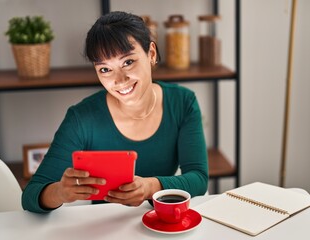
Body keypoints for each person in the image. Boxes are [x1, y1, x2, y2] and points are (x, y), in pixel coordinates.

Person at [22, 11, 208, 213]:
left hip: (161, 221)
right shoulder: (81, 118)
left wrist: (149, 187)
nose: (119, 80)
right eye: (105, 69)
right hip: (105, 226)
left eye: (128, 62)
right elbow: (31, 195)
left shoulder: (183, 102)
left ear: (151, 54)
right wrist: (60, 192)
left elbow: (198, 178)